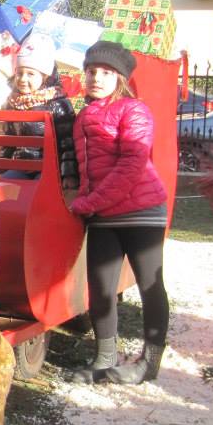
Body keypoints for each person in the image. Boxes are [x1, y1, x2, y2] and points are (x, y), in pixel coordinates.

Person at [69, 40, 170, 385]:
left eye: (105, 73)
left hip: (141, 211)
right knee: (100, 287)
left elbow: (131, 164)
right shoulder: (83, 115)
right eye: (91, 71)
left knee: (149, 284)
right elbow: (84, 168)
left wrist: (89, 203)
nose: (96, 77)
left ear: (120, 79)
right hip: (103, 214)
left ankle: (150, 362)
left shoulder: (133, 111)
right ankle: (105, 358)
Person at [0, 33, 79, 189]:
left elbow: (68, 142)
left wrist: (69, 174)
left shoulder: (57, 103)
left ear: (44, 77)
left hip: (49, 167)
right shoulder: (13, 103)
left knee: (39, 193)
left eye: (30, 74)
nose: (23, 79)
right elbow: (8, 139)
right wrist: (1, 166)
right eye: (19, 73)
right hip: (21, 166)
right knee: (3, 188)